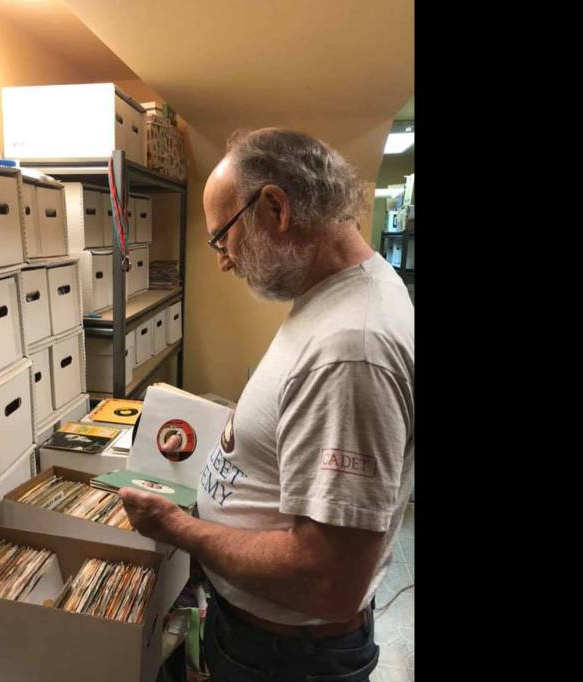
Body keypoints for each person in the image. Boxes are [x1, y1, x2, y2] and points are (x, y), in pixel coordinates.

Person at [119, 128, 414, 681]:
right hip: (269, 642)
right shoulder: (336, 293)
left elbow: (328, 581)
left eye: (221, 238)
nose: (223, 261)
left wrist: (178, 528)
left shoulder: (351, 348)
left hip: (284, 659)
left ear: (275, 207)